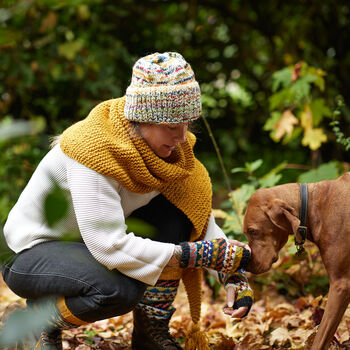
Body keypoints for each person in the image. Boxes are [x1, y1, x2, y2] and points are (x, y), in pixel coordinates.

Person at [1, 52, 253, 350]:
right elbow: (109, 245)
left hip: (86, 249)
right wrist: (193, 255)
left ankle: (150, 333)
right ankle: (38, 322)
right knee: (117, 290)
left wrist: (233, 275)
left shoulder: (173, 156)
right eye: (172, 126)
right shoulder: (93, 148)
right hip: (32, 252)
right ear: (143, 118)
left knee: (176, 212)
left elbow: (198, 220)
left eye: (187, 124)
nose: (183, 137)